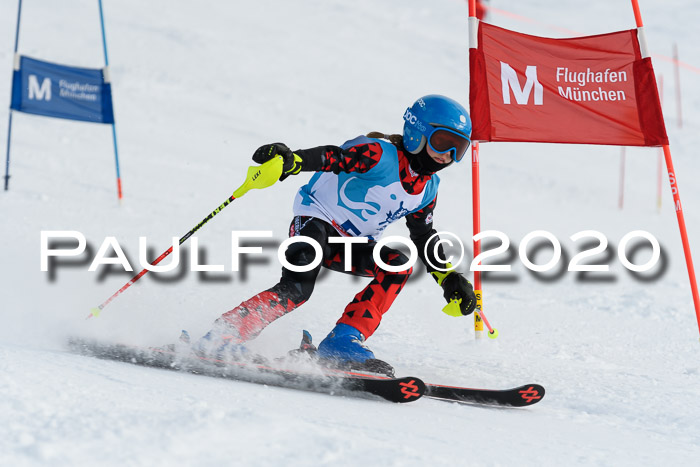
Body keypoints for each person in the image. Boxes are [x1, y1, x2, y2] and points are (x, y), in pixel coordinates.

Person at [195, 95, 477, 372]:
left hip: (352, 245)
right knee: (297, 288)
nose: (448, 155)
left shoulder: (428, 188)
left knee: (397, 265)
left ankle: (343, 342)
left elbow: (423, 235)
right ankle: (225, 334)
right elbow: (334, 157)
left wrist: (448, 277)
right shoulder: (379, 154)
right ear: (418, 133)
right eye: (443, 142)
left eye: (458, 148)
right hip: (315, 222)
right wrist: (291, 161)